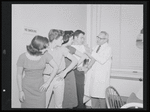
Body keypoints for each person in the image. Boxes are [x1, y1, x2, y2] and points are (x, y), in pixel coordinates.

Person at [16, 35, 58, 108]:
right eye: (44, 48)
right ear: (37, 48)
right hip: (26, 89)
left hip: (40, 88)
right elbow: (19, 74)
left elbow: (56, 67)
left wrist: (48, 83)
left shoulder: (45, 55)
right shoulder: (22, 57)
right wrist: (20, 91)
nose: (46, 49)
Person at [43, 29, 77, 108]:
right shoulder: (44, 50)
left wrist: (65, 72)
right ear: (55, 39)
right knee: (44, 104)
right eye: (61, 39)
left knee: (59, 105)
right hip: (47, 78)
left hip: (59, 79)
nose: (62, 41)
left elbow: (75, 61)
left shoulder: (62, 49)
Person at [83, 31, 112, 108]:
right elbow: (92, 59)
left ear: (105, 40)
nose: (98, 40)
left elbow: (101, 60)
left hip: (101, 78)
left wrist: (91, 52)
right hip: (93, 77)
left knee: (102, 100)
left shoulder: (108, 49)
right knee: (93, 99)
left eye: (100, 38)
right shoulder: (96, 47)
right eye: (97, 37)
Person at [62, 30, 88, 108]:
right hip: (66, 72)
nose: (83, 40)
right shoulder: (64, 47)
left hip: (72, 72)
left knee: (76, 93)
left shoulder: (72, 48)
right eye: (81, 37)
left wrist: (75, 66)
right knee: (68, 94)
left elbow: (84, 57)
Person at [71, 30, 89, 108]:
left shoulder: (82, 47)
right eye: (81, 38)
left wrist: (85, 67)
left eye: (83, 38)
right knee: (72, 92)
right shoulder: (70, 46)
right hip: (70, 72)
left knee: (80, 92)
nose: (83, 40)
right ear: (75, 37)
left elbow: (87, 59)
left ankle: (80, 107)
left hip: (79, 71)